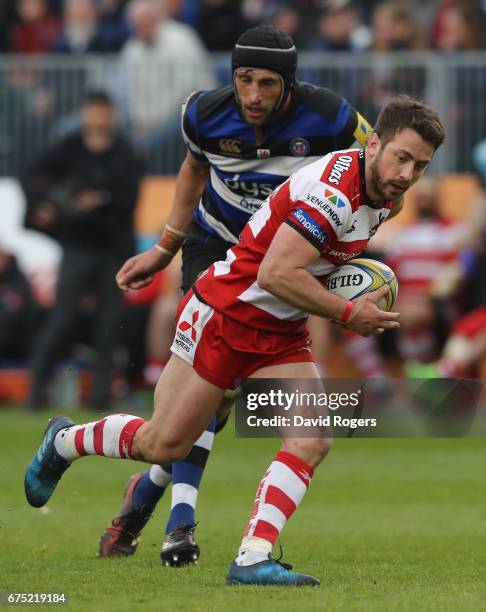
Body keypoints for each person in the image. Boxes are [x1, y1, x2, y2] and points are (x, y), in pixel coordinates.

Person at [25, 94, 446, 586]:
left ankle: (252, 558)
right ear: (373, 143)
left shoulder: (387, 200)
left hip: (280, 332)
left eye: (420, 165)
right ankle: (65, 440)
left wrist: (344, 282)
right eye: (401, 157)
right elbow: (274, 273)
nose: (407, 174)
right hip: (225, 317)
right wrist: (349, 310)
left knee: (312, 438)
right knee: (163, 444)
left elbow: (314, 265)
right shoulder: (331, 194)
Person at [98, 24, 376, 567]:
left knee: (213, 403)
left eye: (267, 83)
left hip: (281, 258)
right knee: (210, 387)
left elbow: (375, 160)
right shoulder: (203, 113)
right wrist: (163, 249)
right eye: (243, 79)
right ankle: (180, 523)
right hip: (216, 249)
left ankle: (146, 498)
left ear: (289, 84)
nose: (252, 94)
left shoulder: (333, 118)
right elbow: (192, 171)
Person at [24, 90, 143, 410]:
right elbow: (33, 175)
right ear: (85, 113)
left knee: (109, 326)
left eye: (105, 111)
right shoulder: (69, 147)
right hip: (77, 245)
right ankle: (35, 393)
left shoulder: (125, 153)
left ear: (113, 116)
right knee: (62, 320)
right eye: (94, 111)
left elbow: (128, 202)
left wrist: (98, 200)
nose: (99, 118)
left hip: (111, 248)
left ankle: (100, 398)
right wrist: (48, 205)